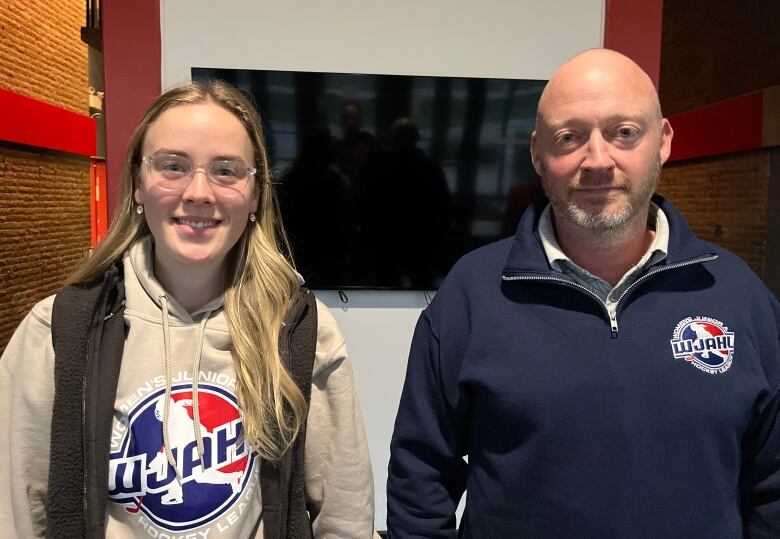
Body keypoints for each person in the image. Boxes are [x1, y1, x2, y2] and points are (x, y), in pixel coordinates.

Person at [387, 48, 780, 537]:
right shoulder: (471, 295)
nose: (597, 160)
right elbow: (420, 476)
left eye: (625, 133)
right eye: (569, 137)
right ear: (537, 153)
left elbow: (773, 483)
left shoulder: (739, 296)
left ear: (663, 141)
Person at [0, 81, 376, 538]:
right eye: (173, 166)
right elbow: (17, 516)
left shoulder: (300, 332)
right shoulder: (58, 331)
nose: (199, 192)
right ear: (138, 184)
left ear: (256, 194)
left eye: (226, 171)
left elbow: (345, 518)